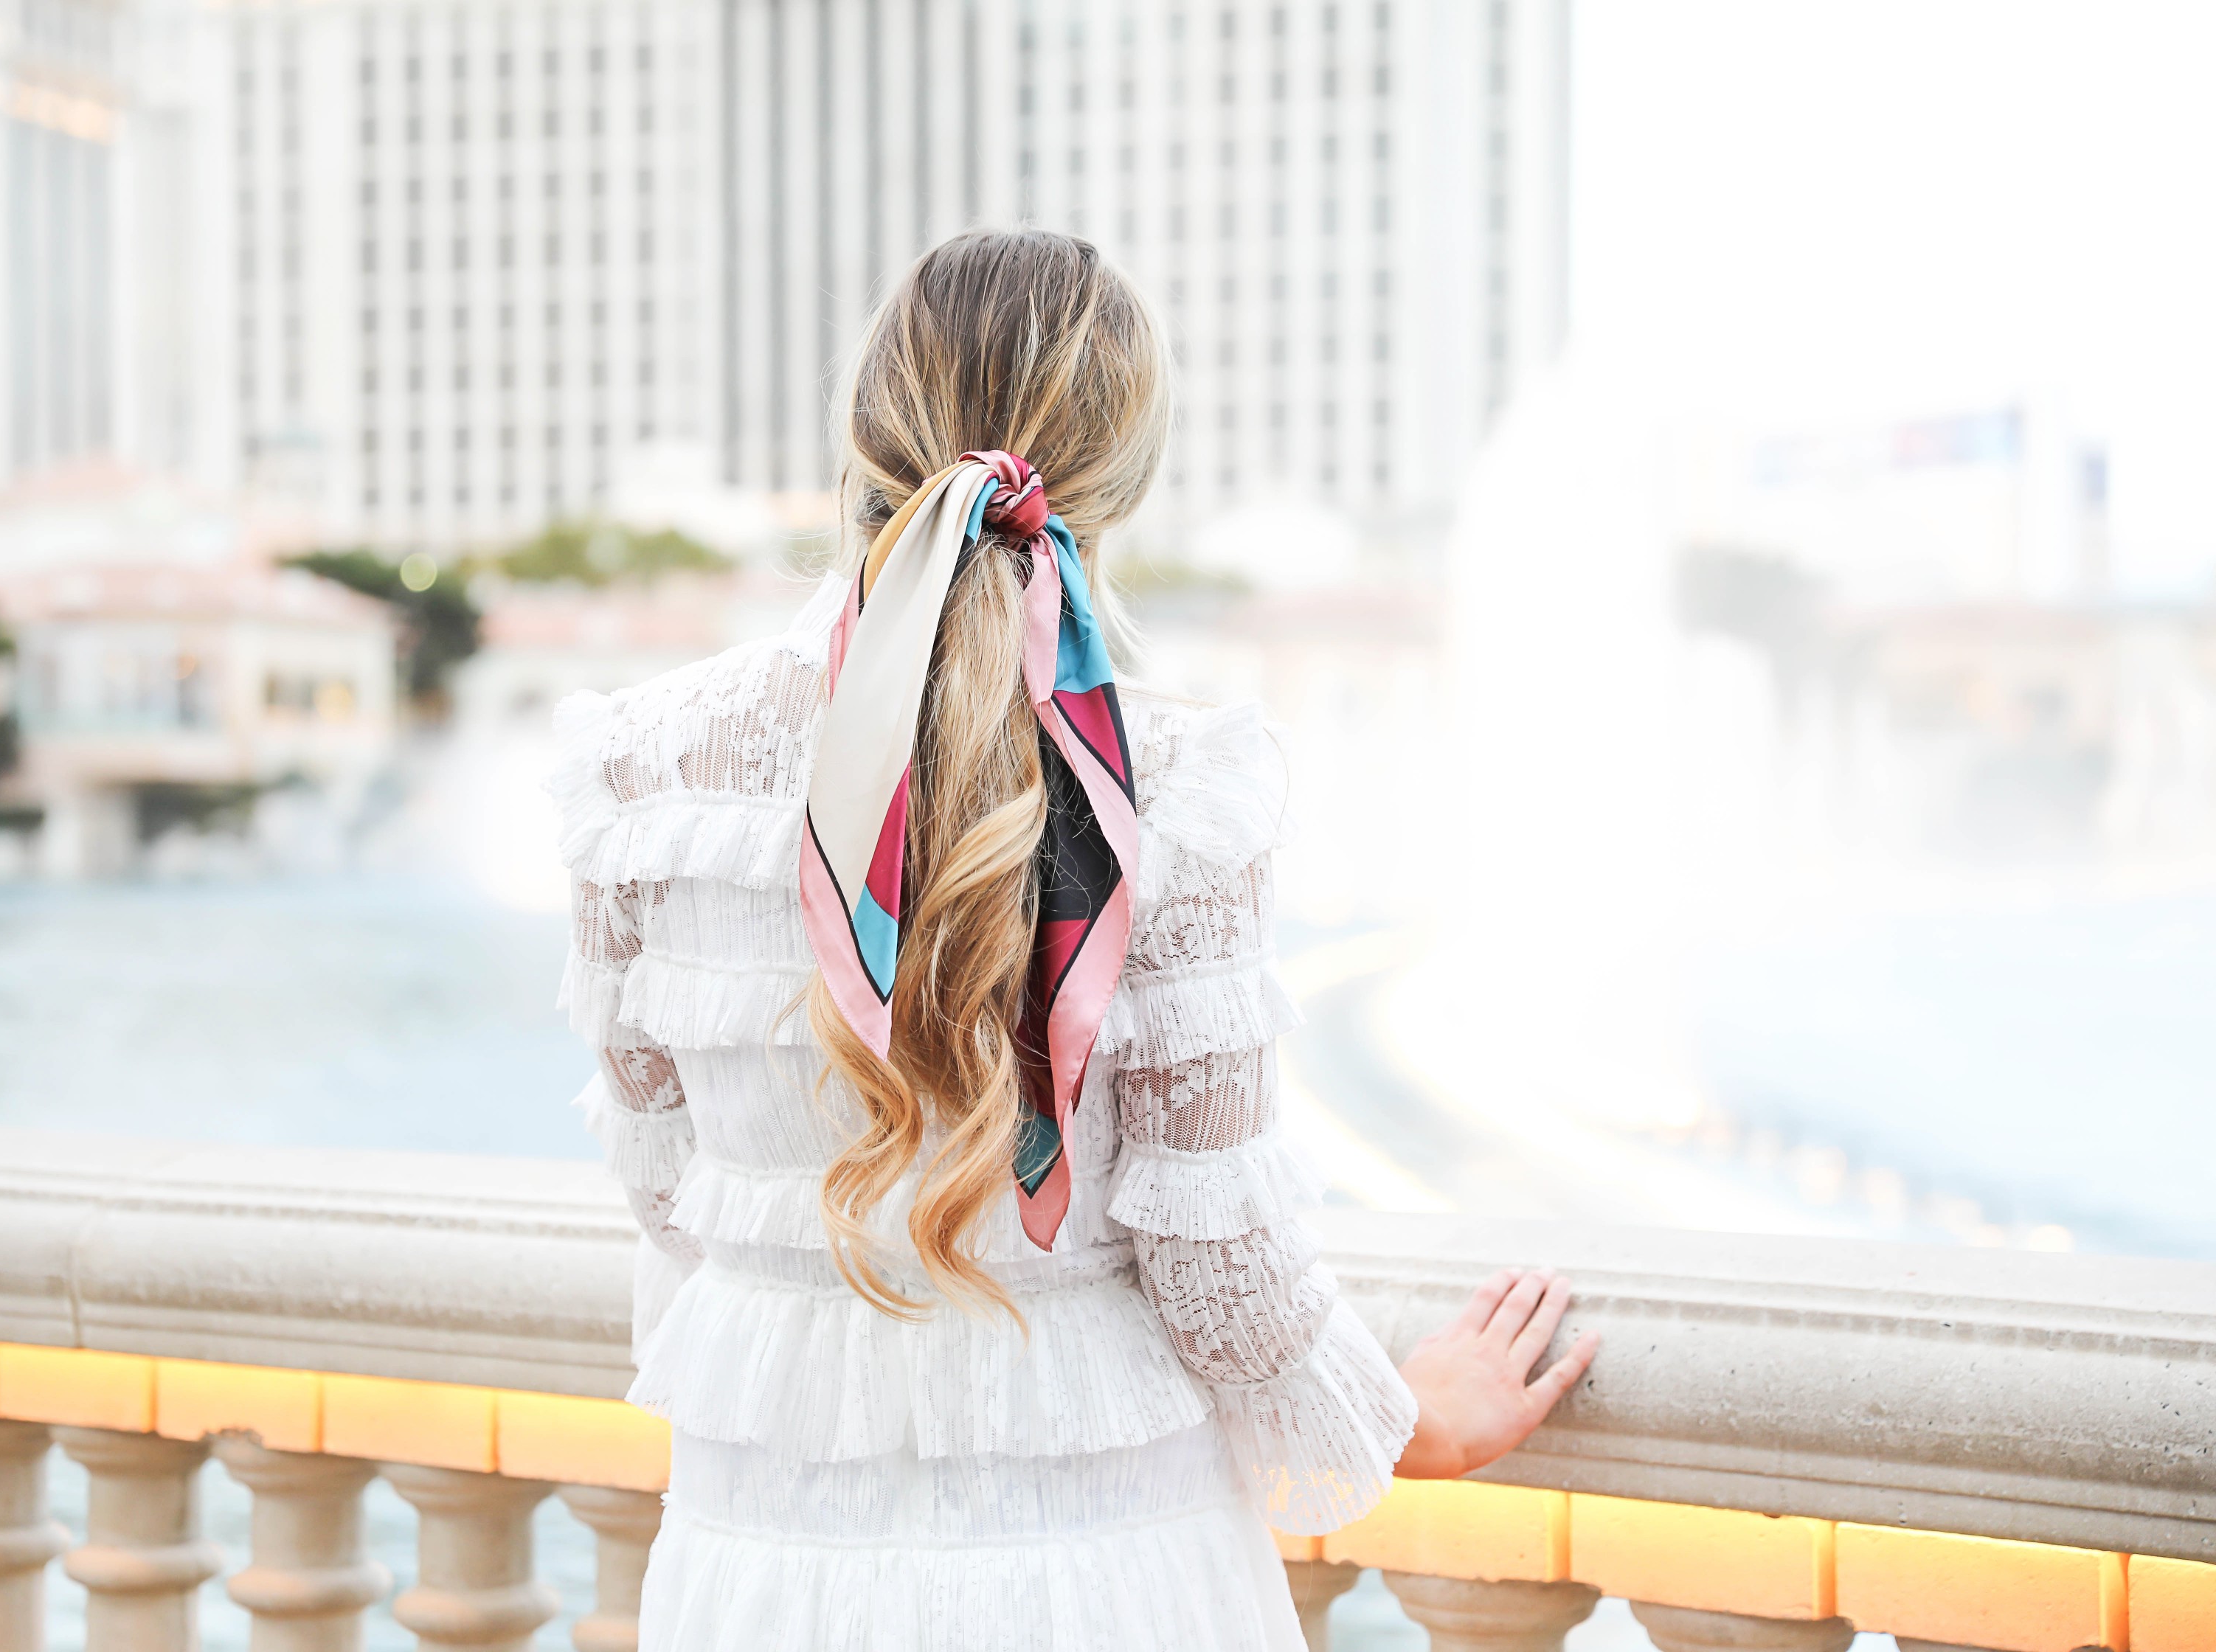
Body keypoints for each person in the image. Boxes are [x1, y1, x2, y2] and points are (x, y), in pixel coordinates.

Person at [552, 227, 1598, 1652]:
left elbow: (670, 1186)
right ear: (1124, 474)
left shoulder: (642, 766)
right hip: (1106, 1569)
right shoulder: (1174, 788)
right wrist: (1407, 1426)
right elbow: (1215, 1253)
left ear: (863, 432)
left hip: (764, 1557)